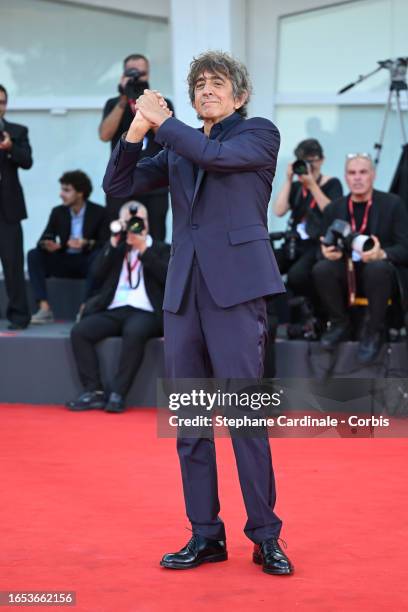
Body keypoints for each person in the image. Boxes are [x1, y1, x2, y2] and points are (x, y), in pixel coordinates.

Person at [103, 50, 293, 575]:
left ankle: (265, 536)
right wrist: (137, 131)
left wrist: (165, 123)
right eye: (199, 85)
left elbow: (218, 159)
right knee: (189, 421)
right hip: (183, 294)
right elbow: (117, 188)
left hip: (235, 290)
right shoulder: (178, 148)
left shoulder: (258, 133)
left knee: (243, 417)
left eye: (217, 83)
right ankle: (205, 535)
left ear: (240, 94)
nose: (207, 90)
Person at [66, 202, 169, 413]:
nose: (134, 226)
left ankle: (118, 393)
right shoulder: (116, 248)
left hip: (147, 311)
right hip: (115, 308)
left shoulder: (162, 249)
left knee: (134, 331)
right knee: (80, 331)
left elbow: (169, 278)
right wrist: (113, 243)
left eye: (139, 220)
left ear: (148, 222)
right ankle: (93, 391)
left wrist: (143, 250)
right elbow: (96, 274)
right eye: (129, 221)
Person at [313, 153, 408, 364]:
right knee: (322, 268)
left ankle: (373, 330)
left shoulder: (393, 204)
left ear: (373, 176)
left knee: (378, 268)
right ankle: (340, 323)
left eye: (363, 172)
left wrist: (382, 253)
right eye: (352, 173)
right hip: (346, 273)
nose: (357, 178)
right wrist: (326, 252)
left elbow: (405, 247)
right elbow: (319, 248)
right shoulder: (334, 208)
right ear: (345, 177)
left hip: (380, 277)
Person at [99, 53, 174, 240]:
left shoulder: (161, 103)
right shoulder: (113, 104)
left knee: (155, 238)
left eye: (141, 74)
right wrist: (124, 98)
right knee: (119, 237)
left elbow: (170, 139)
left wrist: (151, 110)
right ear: (123, 75)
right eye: (131, 73)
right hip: (122, 181)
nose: (136, 78)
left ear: (148, 75)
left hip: (155, 185)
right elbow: (104, 135)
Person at [27, 171, 108, 324]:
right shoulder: (58, 212)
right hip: (64, 259)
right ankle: (44, 309)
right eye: (61, 189)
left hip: (87, 261)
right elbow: (44, 238)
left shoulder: (99, 212)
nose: (61, 194)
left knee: (98, 256)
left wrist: (85, 243)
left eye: (66, 190)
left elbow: (106, 244)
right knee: (34, 254)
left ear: (80, 193)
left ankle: (85, 309)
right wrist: (48, 244)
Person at [272, 138, 343, 298]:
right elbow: (279, 211)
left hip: (317, 243)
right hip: (294, 242)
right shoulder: (297, 187)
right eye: (304, 162)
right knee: (267, 268)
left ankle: (307, 311)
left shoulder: (332, 183)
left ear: (321, 160)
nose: (308, 166)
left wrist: (312, 185)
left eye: (312, 161)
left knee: (297, 276)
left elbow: (332, 212)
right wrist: (289, 180)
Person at [0, 84, 32, 330]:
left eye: (2, 102)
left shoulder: (17, 131)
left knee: (12, 264)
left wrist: (11, 148)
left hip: (7, 210)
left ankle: (19, 315)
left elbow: (27, 161)